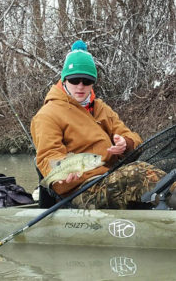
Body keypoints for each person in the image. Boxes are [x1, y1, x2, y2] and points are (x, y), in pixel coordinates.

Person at [30, 40, 166, 209]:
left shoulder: (101, 108)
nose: (80, 86)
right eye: (74, 80)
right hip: (80, 191)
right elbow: (48, 156)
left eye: (86, 81)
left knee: (160, 171)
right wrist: (60, 177)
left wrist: (125, 143)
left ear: (93, 83)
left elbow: (133, 138)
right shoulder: (47, 115)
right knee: (137, 174)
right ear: (64, 80)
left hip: (109, 177)